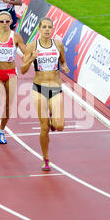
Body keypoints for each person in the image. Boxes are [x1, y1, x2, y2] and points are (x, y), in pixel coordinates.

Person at [21, 18, 70, 171]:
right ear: (39, 29)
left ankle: (53, 119)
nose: (47, 30)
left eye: (50, 27)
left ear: (52, 29)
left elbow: (62, 62)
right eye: (44, 27)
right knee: (44, 128)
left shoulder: (58, 45)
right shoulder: (32, 46)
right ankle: (45, 159)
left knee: (59, 126)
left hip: (55, 87)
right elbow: (22, 69)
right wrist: (31, 58)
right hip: (39, 88)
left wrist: (65, 66)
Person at [0, 11, 26, 144]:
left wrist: (30, 56)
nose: (4, 24)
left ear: (11, 22)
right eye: (1, 21)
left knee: (9, 106)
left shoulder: (16, 37)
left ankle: (1, 130)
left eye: (7, 21)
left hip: (11, 73)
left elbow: (25, 52)